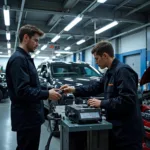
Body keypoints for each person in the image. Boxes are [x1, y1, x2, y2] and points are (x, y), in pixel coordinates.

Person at [60, 40, 144, 150]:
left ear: (105, 55)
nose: (96, 62)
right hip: (117, 129)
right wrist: (73, 89)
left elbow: (127, 100)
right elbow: (95, 87)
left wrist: (101, 103)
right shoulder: (109, 72)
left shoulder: (123, 71)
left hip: (128, 133)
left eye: (96, 58)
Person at [6, 24, 62, 150]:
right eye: (35, 40)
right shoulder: (18, 60)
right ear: (26, 37)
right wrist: (47, 95)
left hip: (31, 117)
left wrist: (49, 89)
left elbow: (33, 85)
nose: (37, 44)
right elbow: (22, 91)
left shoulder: (25, 59)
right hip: (26, 118)